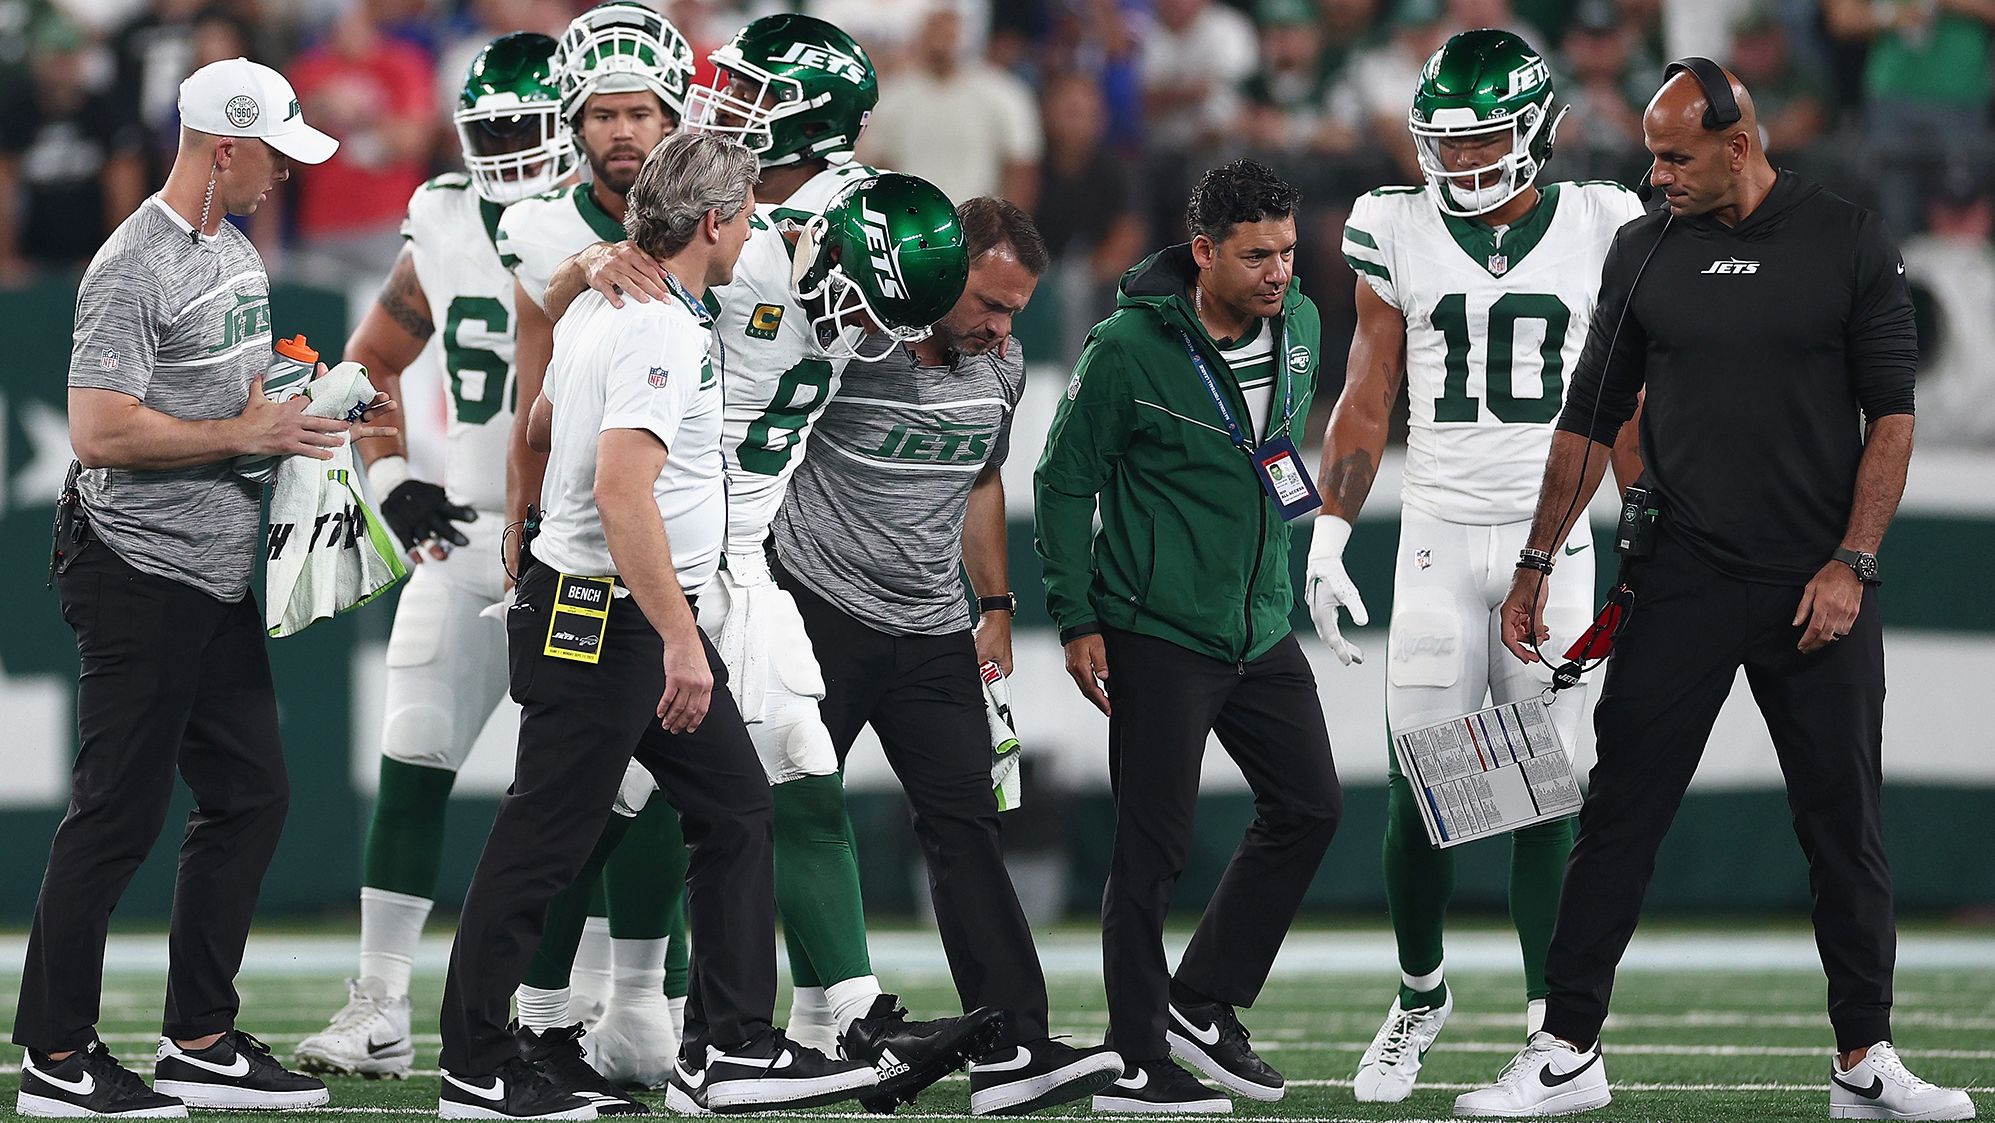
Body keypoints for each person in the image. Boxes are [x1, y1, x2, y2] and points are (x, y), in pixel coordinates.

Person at [1454, 63, 1977, 1121]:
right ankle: (1565, 1048)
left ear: (1740, 145)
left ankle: (1864, 1060)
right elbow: (1589, 418)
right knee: (1619, 820)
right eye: (1652, 155)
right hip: (1680, 577)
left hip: (1812, 585)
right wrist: (1536, 561)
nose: (1656, 175)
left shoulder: (1851, 240)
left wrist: (1855, 562)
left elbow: (1893, 418)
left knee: (1844, 826)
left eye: (1676, 156)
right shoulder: (1643, 248)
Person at [548, 16, 1010, 1111]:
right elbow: (584, 349)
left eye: (755, 89)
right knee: (597, 796)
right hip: (655, 532)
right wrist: (586, 266)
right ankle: (536, 1021)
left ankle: (836, 1018)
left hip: (737, 545)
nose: (725, 99)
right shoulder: (744, 222)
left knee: (796, 763)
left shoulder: (845, 221)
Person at [436, 130, 877, 1122]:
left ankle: (730, 1047)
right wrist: (682, 636)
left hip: (601, 603)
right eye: (749, 211)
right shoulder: (663, 327)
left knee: (734, 810)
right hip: (609, 616)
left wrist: (541, 521)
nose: (756, 227)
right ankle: (476, 1063)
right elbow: (623, 490)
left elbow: (543, 424)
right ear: (714, 221)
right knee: (546, 836)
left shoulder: (611, 302)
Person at [290, 34, 648, 1115]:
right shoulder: (442, 217)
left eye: (520, 129)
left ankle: (590, 1006)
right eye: (484, 130)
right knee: (414, 749)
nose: (501, 151)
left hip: (583, 537)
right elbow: (371, 364)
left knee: (602, 786)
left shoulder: (631, 218)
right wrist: (390, 474)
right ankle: (380, 999)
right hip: (467, 524)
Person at [14, 56, 365, 1119]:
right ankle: (56, 1059)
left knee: (253, 793)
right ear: (224, 147)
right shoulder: (131, 266)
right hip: (134, 568)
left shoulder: (241, 253)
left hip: (212, 575)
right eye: (274, 153)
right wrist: (242, 431)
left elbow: (249, 404)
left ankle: (200, 1039)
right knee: (116, 813)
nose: (286, 176)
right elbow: (97, 430)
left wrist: (320, 414)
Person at [1309, 29, 1645, 1104]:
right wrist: (1329, 527)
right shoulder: (1393, 225)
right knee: (1426, 784)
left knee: (1546, 787)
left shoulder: (1603, 220)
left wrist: (1651, 517)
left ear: (1538, 130)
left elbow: (1631, 401)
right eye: (1443, 145)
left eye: (1482, 141)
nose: (1456, 165)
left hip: (1557, 535)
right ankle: (1422, 993)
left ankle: (1555, 1036)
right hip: (1439, 533)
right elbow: (1369, 391)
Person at [767, 193, 1126, 1117]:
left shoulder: (998, 369)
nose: (1004, 328)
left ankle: (1013, 1045)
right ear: (933, 274)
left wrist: (996, 604)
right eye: (990, 304)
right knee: (780, 811)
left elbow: (982, 477)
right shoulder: (848, 346)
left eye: (1014, 309)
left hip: (932, 621)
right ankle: (742, 1028)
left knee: (966, 825)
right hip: (818, 605)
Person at [1034, 158, 1341, 1113]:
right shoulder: (1125, 345)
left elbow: (1277, 451)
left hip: (1259, 623)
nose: (1280, 273)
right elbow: (1060, 479)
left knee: (1311, 807)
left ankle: (1201, 1000)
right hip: (1157, 627)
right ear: (1203, 252)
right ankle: (1135, 1058)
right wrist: (1076, 615)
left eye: (1287, 252)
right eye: (1257, 256)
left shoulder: (1302, 324)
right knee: (1151, 849)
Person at [494, 2, 699, 1086]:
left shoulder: (720, 217)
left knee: (676, 788)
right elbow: (533, 399)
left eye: (641, 112)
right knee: (567, 791)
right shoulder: (538, 226)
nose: (623, 132)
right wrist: (518, 519)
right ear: (573, 126)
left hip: (693, 546)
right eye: (604, 114)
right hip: (587, 545)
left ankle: (640, 1007)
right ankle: (528, 1013)